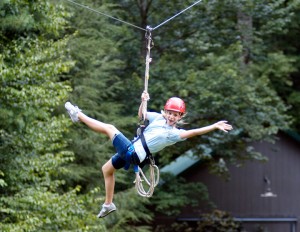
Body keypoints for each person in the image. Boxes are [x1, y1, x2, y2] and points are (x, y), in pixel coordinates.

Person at [64, 92, 233, 218]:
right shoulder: (158, 118)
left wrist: (214, 126)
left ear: (180, 117)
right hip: (133, 149)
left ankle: (78, 115)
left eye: (176, 115)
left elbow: (194, 132)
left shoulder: (173, 134)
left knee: (110, 128)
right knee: (107, 169)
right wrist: (143, 102)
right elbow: (142, 116)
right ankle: (108, 204)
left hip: (134, 154)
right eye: (170, 113)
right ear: (166, 111)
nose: (172, 117)